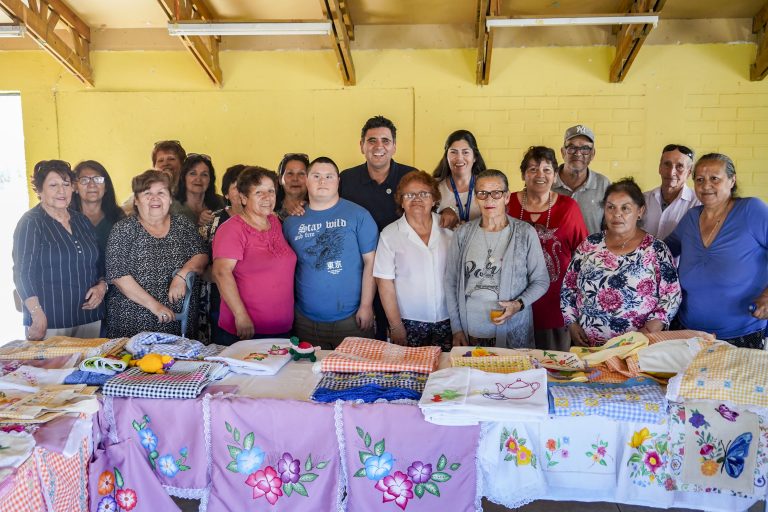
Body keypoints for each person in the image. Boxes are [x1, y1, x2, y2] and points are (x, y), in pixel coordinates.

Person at [561, 178, 681, 346]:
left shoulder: (655, 249)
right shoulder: (590, 244)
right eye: (611, 207)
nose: (617, 214)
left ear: (640, 211)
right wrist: (571, 323)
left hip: (635, 346)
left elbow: (671, 295)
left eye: (625, 208)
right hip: (588, 343)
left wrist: (648, 331)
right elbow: (569, 286)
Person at [666, 153, 768, 348]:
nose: (706, 186)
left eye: (714, 178)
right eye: (699, 179)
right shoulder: (691, 218)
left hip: (741, 334)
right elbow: (662, 250)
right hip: (689, 332)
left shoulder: (751, 210)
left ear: (732, 180)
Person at [445, 169, 549, 348]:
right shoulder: (462, 234)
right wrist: (457, 329)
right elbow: (451, 282)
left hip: (512, 330)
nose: (489, 199)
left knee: (511, 376)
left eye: (496, 193)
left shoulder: (525, 233)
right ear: (476, 197)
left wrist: (518, 304)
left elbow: (541, 280)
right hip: (471, 331)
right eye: (482, 193)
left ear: (506, 197)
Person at [283, 157, 378, 349]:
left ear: (338, 181)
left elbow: (372, 263)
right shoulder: (291, 222)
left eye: (329, 176)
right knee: (306, 377)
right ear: (306, 181)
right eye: (316, 176)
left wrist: (366, 306)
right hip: (305, 322)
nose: (322, 181)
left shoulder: (359, 215)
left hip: (352, 319)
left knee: (355, 376)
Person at [340, 115, 417, 340]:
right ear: (362, 145)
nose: (378, 146)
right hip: (361, 271)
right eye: (372, 140)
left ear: (394, 146)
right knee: (368, 336)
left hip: (402, 270)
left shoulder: (410, 176)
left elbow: (430, 209)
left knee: (401, 333)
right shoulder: (347, 179)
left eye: (385, 140)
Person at [105, 170, 208, 338]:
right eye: (147, 193)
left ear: (169, 199)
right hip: (133, 325)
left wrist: (182, 274)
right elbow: (119, 275)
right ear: (136, 201)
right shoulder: (123, 229)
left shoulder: (182, 225)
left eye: (161, 192)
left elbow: (201, 255)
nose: (155, 198)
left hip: (179, 325)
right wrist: (156, 307)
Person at [13, 160, 106, 340]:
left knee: (89, 368)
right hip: (49, 321)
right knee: (52, 369)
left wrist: (102, 287)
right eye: (53, 185)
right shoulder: (31, 222)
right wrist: (36, 314)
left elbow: (99, 263)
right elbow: (22, 273)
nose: (61, 191)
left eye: (66, 184)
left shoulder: (82, 221)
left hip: (89, 317)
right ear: (40, 191)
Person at [507, 147, 587, 351]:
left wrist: (578, 307)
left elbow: (584, 257)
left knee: (554, 369)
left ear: (554, 175)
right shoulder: (507, 205)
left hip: (555, 305)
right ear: (523, 175)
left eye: (547, 170)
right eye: (533, 169)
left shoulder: (568, 208)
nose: (540, 175)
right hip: (513, 303)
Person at [213, 167, 297, 344]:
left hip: (282, 330)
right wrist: (240, 315)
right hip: (245, 330)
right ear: (243, 198)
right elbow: (221, 273)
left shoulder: (276, 222)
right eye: (259, 192)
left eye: (271, 191)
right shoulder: (232, 229)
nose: (267, 197)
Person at [373, 171, 454, 351]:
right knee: (410, 375)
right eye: (409, 195)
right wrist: (395, 326)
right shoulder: (389, 234)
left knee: (446, 373)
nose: (417, 199)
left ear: (434, 199)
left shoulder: (450, 230)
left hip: (449, 320)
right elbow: (385, 283)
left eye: (424, 194)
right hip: (408, 322)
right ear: (401, 201)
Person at [199, 164, 246, 344]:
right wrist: (223, 276)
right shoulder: (212, 222)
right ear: (226, 194)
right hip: (220, 303)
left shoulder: (268, 220)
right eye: (236, 187)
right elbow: (200, 264)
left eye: (246, 186)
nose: (242, 192)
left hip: (258, 304)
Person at [552, 125, 611, 235]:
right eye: (572, 147)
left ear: (592, 154)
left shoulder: (603, 184)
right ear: (563, 152)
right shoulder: (548, 182)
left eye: (585, 149)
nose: (578, 153)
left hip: (591, 252)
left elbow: (610, 228)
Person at [643, 144, 701, 240]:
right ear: (659, 168)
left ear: (689, 173)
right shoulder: (643, 199)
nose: (671, 172)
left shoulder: (698, 203)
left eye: (680, 166)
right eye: (667, 164)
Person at [432, 129, 487, 229]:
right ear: (446, 156)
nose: (459, 158)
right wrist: (443, 212)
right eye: (453, 152)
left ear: (474, 157)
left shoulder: (487, 186)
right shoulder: (434, 186)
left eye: (465, 152)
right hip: (445, 243)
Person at [71, 160, 125, 254]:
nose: (92, 185)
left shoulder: (118, 217)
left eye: (98, 179)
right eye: (84, 180)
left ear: (106, 187)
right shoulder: (66, 219)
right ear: (75, 188)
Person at [122, 140, 187, 214]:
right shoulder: (145, 187)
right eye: (160, 160)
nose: (165, 163)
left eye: (171, 159)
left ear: (182, 164)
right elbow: (123, 210)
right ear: (154, 166)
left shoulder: (189, 188)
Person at [173, 153, 225, 226]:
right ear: (184, 178)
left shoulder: (221, 203)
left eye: (204, 175)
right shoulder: (172, 208)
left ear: (210, 180)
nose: (198, 179)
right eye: (193, 173)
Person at [275, 153, 309, 219]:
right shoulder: (270, 209)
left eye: (301, 174)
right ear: (280, 179)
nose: (295, 179)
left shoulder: (318, 208)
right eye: (290, 173)